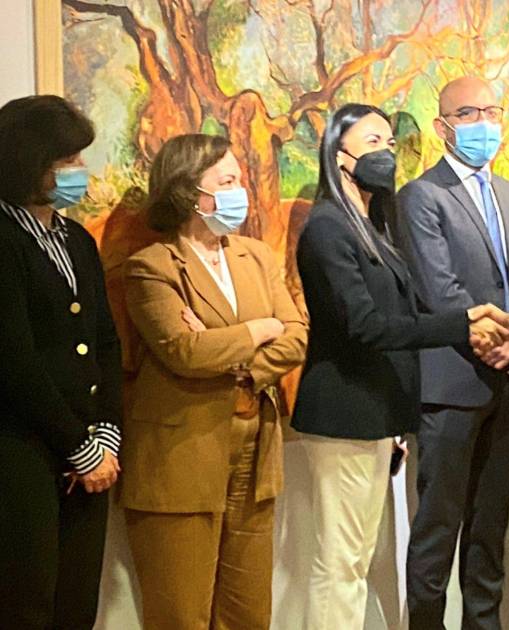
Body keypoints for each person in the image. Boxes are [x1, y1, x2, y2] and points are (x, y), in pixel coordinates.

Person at [292, 103, 509, 630]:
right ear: (338, 154)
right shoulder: (328, 227)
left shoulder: (372, 226)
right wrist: (461, 324)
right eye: (372, 143)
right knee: (341, 565)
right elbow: (367, 326)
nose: (386, 154)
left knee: (355, 560)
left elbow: (398, 316)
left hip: (375, 414)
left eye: (390, 144)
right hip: (343, 413)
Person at [119, 133, 308, 630]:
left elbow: (296, 336)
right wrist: (258, 329)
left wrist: (241, 358)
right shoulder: (151, 267)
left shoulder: (256, 255)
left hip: (255, 451)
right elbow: (185, 352)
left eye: (239, 179)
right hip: (181, 457)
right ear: (188, 193)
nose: (240, 191)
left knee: (248, 612)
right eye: (226, 182)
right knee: (182, 614)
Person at [396, 76, 509, 629]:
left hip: (507, 395)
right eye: (469, 114)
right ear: (443, 127)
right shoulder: (421, 197)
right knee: (437, 531)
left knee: (490, 531)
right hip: (451, 389)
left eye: (492, 111)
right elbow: (441, 294)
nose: (484, 123)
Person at [0, 95, 122, 629]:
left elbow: (105, 342)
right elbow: (14, 360)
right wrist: (78, 445)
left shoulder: (76, 239)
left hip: (89, 450)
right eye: (67, 160)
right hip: (22, 449)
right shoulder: (5, 239)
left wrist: (106, 433)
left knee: (77, 604)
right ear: (28, 163)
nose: (80, 170)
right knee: (27, 604)